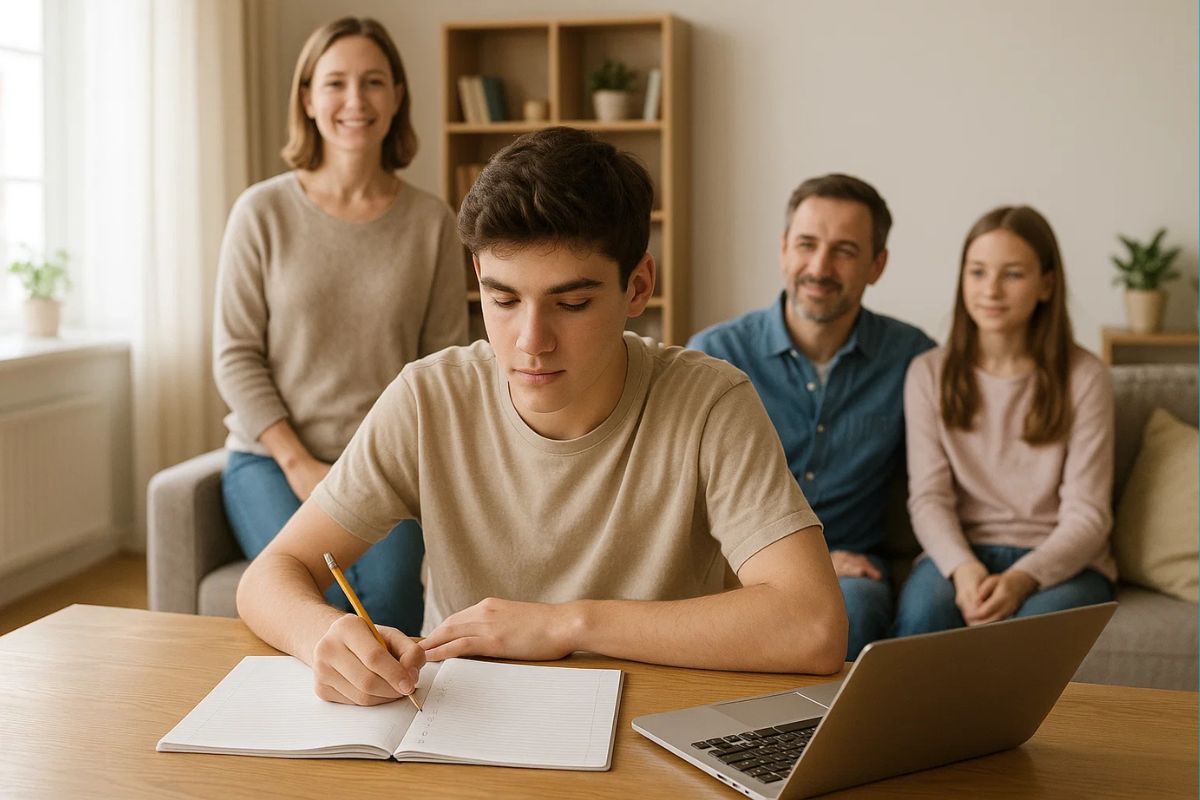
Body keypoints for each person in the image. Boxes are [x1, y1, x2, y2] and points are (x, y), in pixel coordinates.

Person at [236, 127, 847, 706]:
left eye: (572, 303)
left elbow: (813, 625)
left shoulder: (711, 402)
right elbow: (270, 575)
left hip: (653, 728)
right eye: (503, 300)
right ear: (478, 279)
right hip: (462, 725)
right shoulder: (429, 398)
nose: (531, 341)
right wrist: (321, 635)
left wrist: (566, 625)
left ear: (638, 287)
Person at [214, 17, 467, 635]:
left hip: (382, 465)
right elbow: (236, 355)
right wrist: (299, 464)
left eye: (374, 82)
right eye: (335, 83)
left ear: (398, 96)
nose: (355, 101)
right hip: (271, 462)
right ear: (307, 98)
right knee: (311, 603)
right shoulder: (262, 211)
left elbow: (444, 359)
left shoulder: (432, 221)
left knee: (389, 603)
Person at [688, 175, 934, 660]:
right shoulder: (714, 356)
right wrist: (812, 564)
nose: (819, 267)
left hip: (855, 573)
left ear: (877, 265)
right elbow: (686, 503)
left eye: (844, 251)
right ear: (783, 249)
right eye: (806, 244)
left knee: (854, 604)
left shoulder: (915, 360)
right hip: (742, 566)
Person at [892, 206, 1116, 636]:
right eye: (977, 272)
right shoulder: (927, 373)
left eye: (1012, 274)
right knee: (922, 619)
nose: (991, 290)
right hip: (962, 553)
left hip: (1062, 561)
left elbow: (1088, 515)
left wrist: (1022, 578)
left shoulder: (1086, 377)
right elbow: (928, 498)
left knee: (1024, 636)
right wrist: (962, 569)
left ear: (1046, 284)